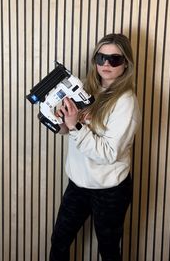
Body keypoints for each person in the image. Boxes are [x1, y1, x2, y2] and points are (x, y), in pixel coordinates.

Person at [49, 33, 141, 261]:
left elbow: (108, 154)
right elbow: (68, 130)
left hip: (110, 189)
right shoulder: (84, 90)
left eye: (114, 59)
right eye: (101, 58)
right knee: (59, 241)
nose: (106, 64)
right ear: (94, 60)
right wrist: (60, 122)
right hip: (78, 183)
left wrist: (76, 126)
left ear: (126, 63)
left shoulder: (126, 102)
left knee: (108, 251)